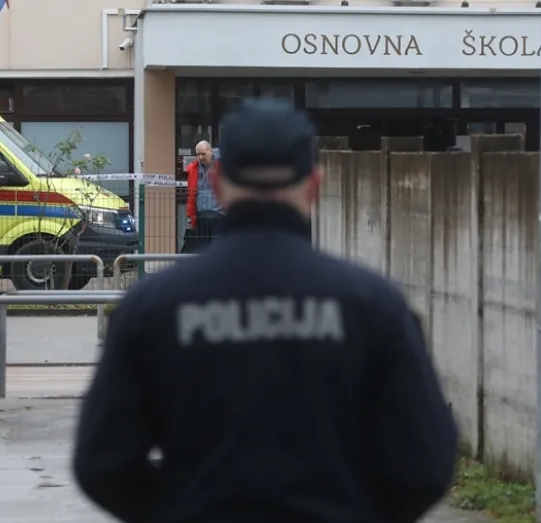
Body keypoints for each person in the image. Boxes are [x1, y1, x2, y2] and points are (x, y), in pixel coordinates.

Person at [73, 99, 459, 523]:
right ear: (314, 185)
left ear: (218, 186)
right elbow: (426, 462)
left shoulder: (154, 307)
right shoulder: (372, 305)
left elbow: (102, 462)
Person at [183, 140, 223, 252]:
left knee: (217, 250)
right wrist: (191, 216)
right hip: (201, 217)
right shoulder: (193, 168)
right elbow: (192, 194)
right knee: (201, 251)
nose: (200, 157)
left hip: (218, 216)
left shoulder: (223, 166)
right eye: (198, 154)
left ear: (211, 152)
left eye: (203, 154)